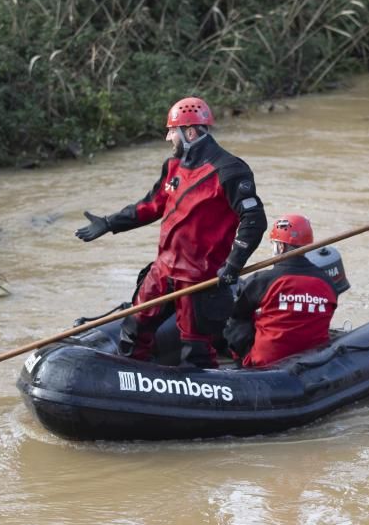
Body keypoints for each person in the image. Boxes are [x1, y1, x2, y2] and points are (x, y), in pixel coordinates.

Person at [75, 96, 267, 368]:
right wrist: (109, 223)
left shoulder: (230, 170)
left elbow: (254, 220)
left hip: (199, 277)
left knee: (195, 347)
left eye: (171, 131)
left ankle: (200, 401)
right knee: (133, 329)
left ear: (190, 132)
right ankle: (130, 385)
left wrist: (234, 265)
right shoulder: (173, 167)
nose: (168, 138)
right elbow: (151, 205)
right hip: (163, 270)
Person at [223, 213, 339, 367]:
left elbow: (235, 312)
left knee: (234, 318)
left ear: (281, 246)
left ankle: (241, 363)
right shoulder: (328, 282)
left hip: (266, 362)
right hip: (314, 362)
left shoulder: (263, 280)